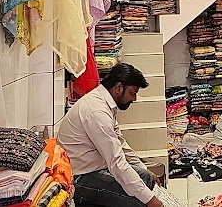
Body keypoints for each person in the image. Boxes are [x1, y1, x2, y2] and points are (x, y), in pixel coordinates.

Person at [57, 63, 163, 207]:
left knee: (145, 177)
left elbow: (120, 142)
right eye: (133, 93)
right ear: (118, 88)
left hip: (97, 168)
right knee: (141, 203)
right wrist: (151, 201)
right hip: (80, 178)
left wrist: (144, 169)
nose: (134, 99)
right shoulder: (96, 112)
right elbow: (116, 163)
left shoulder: (105, 104)